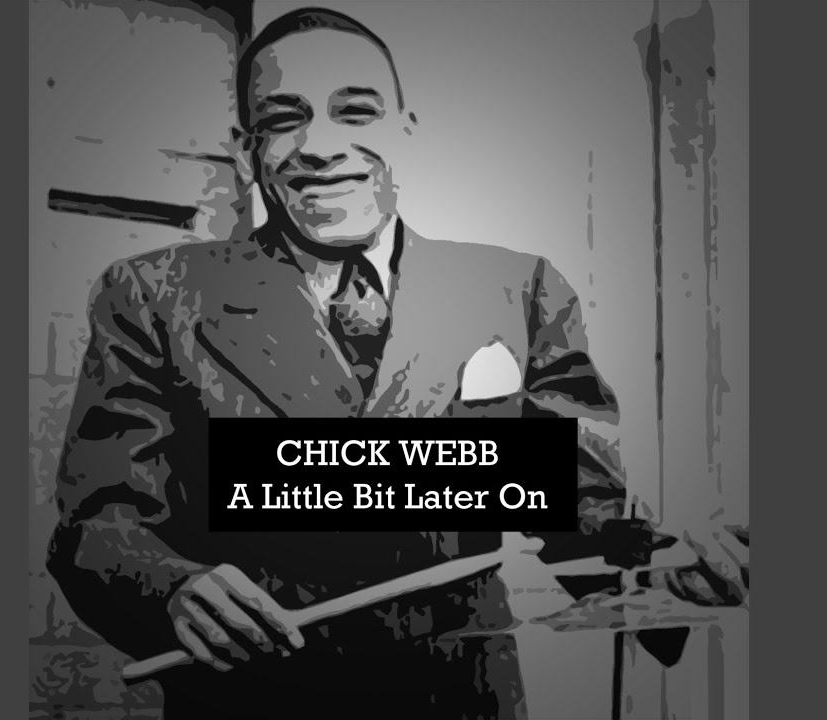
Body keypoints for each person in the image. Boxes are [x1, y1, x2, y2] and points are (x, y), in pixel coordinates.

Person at [47, 7, 628, 717]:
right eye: (283, 118)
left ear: (407, 129)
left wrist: (666, 563)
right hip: (253, 698)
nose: (320, 147)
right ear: (246, 149)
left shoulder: (523, 287)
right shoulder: (151, 294)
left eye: (356, 112)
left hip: (461, 697)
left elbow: (583, 503)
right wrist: (170, 588)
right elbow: (97, 524)